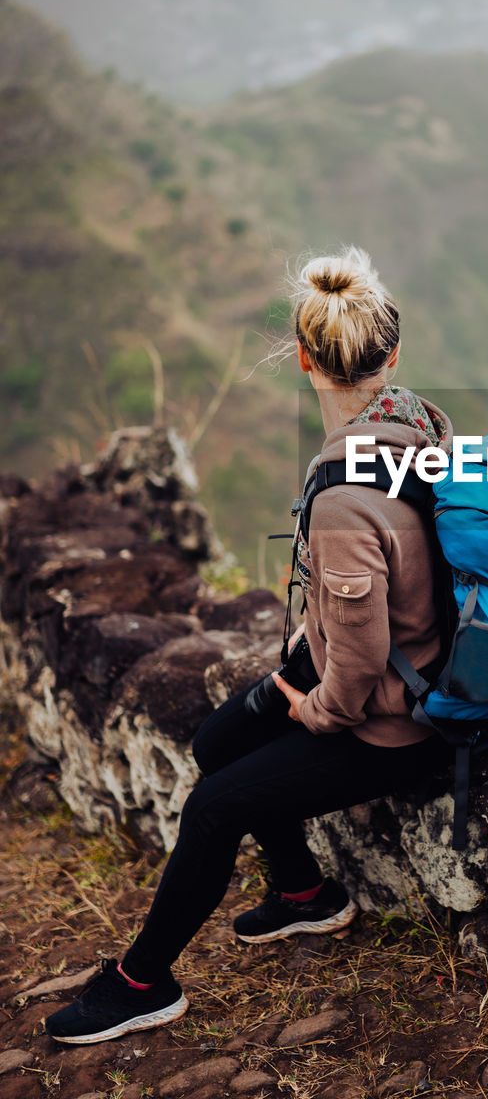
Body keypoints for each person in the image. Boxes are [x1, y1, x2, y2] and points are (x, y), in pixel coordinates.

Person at [46, 247, 453, 1045]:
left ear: (302, 358)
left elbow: (364, 660)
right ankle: (304, 895)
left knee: (212, 806)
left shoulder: (342, 495)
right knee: (218, 739)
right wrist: (315, 641)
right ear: (392, 355)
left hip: (392, 721)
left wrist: (319, 712)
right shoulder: (417, 421)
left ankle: (141, 982)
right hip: (426, 666)